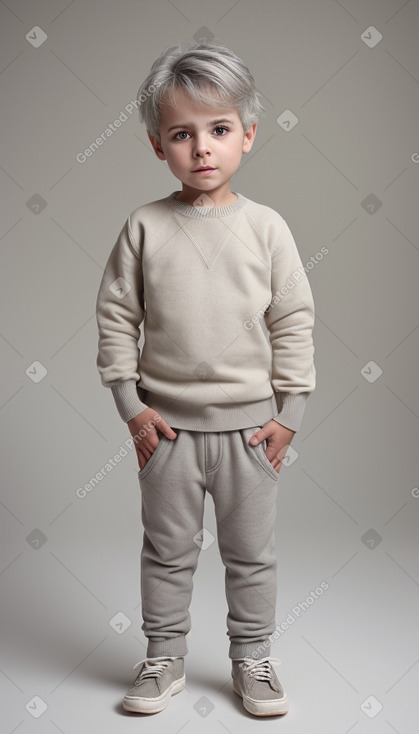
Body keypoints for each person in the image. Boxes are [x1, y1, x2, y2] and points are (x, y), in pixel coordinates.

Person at [95, 40, 316, 717]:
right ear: (158, 145)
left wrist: (288, 415)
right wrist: (131, 408)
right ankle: (163, 657)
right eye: (181, 134)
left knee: (251, 556)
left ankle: (252, 657)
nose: (202, 148)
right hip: (166, 433)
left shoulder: (266, 228)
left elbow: (294, 320)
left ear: (247, 135)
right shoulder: (144, 226)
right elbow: (114, 317)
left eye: (218, 129)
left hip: (252, 433)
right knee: (166, 553)